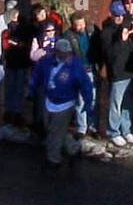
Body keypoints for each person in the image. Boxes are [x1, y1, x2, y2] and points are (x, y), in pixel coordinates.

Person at [31, 37, 96, 168]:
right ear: (57, 51)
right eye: (63, 52)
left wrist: (88, 101)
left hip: (65, 103)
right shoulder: (46, 61)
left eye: (68, 52)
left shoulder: (75, 65)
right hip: (49, 100)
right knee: (51, 129)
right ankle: (73, 148)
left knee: (55, 132)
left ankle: (53, 159)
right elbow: (37, 75)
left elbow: (85, 84)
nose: (66, 55)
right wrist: (32, 88)